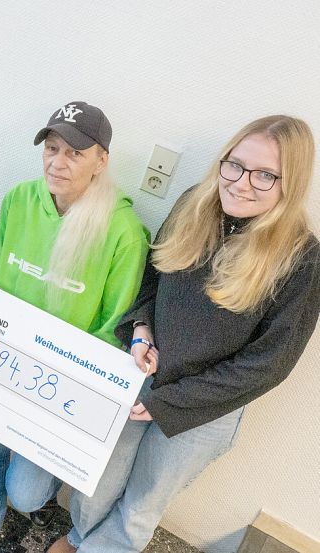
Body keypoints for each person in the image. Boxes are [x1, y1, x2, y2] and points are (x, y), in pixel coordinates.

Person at [50, 115, 320, 553]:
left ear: (291, 183)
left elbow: (270, 364)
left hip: (206, 410)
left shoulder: (300, 257)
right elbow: (152, 281)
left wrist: (168, 403)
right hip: (142, 374)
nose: (241, 183)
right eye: (234, 164)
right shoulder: (193, 204)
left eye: (266, 175)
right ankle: (81, 538)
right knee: (96, 479)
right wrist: (139, 330)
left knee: (142, 502)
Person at [0, 101, 150, 552]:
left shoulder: (124, 231)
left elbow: (115, 326)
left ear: (101, 161)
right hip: (4, 361)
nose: (58, 161)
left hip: (59, 385)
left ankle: (37, 496)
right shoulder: (19, 199)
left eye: (75, 152)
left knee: (27, 493)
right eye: (52, 148)